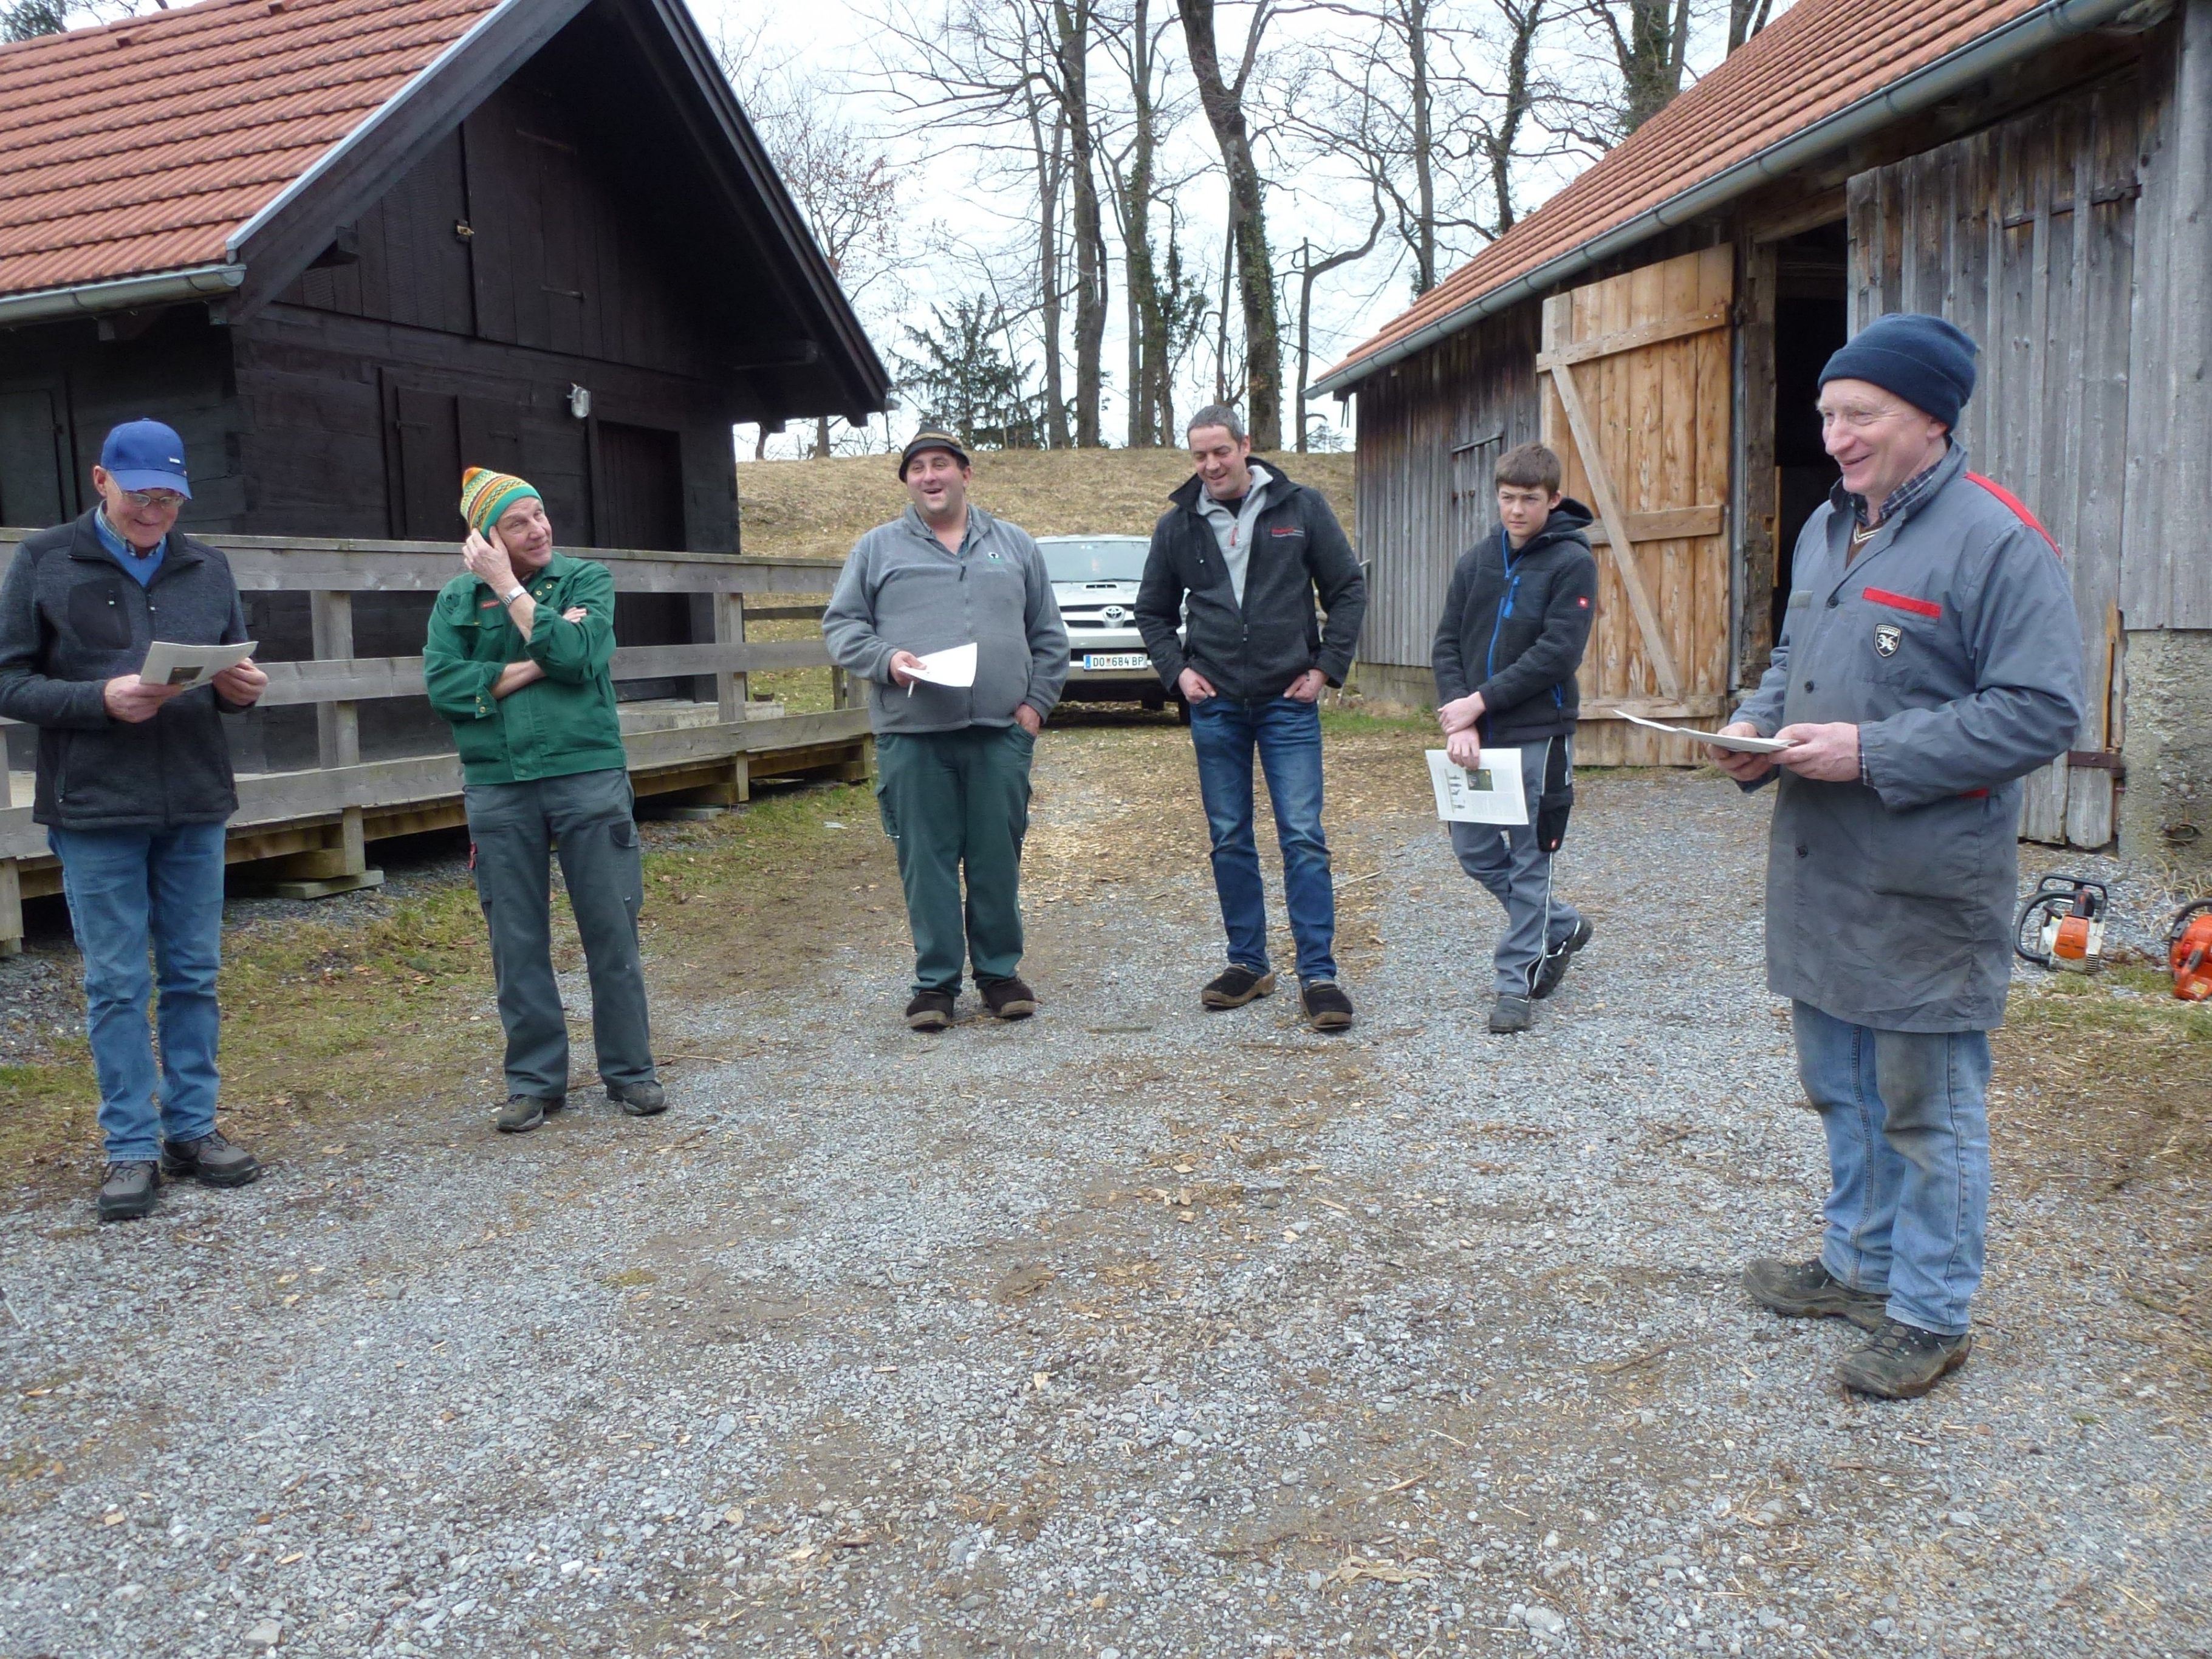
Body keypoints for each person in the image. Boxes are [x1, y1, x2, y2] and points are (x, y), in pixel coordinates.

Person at [1710, 313, 2084, 1400]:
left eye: (1858, 414)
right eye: (1828, 414)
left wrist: (1869, 750)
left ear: (1930, 416)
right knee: (1839, 1086)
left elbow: (2040, 710)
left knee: (1926, 1104)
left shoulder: (1997, 539)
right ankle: (1857, 1265)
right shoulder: (1831, 527)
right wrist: (1755, 729)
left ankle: (1930, 1311)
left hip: (1928, 882)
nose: (1834, 435)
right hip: (1824, 869)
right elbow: (1794, 656)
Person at [0, 419, 270, 1222]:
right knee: (117, 981)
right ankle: (131, 1144)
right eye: (141, 496)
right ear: (100, 480)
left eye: (169, 499)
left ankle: (192, 1127)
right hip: (94, 805)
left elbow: (234, 661)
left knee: (193, 972)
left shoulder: (207, 565)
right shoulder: (45, 560)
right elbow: (8, 681)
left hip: (192, 795)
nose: (155, 514)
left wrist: (242, 687)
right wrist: (98, 699)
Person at [423, 468, 665, 1133]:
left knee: (610, 925)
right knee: (516, 938)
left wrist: (515, 600)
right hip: (498, 783)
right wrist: (541, 655)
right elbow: (445, 687)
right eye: (517, 522)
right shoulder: (455, 602)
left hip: (585, 772)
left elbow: (583, 654)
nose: (537, 529)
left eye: (539, 514)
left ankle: (630, 1070)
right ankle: (534, 1082)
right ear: (487, 538)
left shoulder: (586, 579)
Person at [822, 432, 1069, 1031]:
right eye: (917, 469)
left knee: (994, 859)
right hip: (912, 735)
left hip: (997, 736)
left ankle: (999, 975)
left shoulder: (1013, 545)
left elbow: (1048, 636)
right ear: (907, 481)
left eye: (941, 465)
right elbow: (842, 627)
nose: (930, 476)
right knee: (925, 861)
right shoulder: (877, 549)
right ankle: (934, 985)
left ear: (965, 473)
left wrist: (1034, 709)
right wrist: (886, 660)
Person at [1134, 405, 1367, 1032]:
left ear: (1245, 446)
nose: (1210, 465)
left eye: (1220, 452)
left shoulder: (1300, 508)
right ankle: (1248, 964)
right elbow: (1151, 610)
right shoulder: (1177, 525)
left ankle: (1317, 975)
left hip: (1286, 703)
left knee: (1301, 836)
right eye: (1198, 455)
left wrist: (1324, 669)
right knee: (1230, 836)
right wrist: (1177, 673)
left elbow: (1346, 589)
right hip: (1216, 708)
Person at [1431, 442, 1599, 1035]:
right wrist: (1462, 714)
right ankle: (1562, 925)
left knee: (1531, 863)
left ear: (1553, 500)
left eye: (1529, 499)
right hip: (1476, 738)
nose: (1516, 510)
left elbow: (1557, 653)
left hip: (1538, 735)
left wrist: (1482, 700)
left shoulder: (1572, 562)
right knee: (1473, 852)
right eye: (1506, 498)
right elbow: (1446, 642)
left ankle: (1514, 983)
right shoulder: (1475, 561)